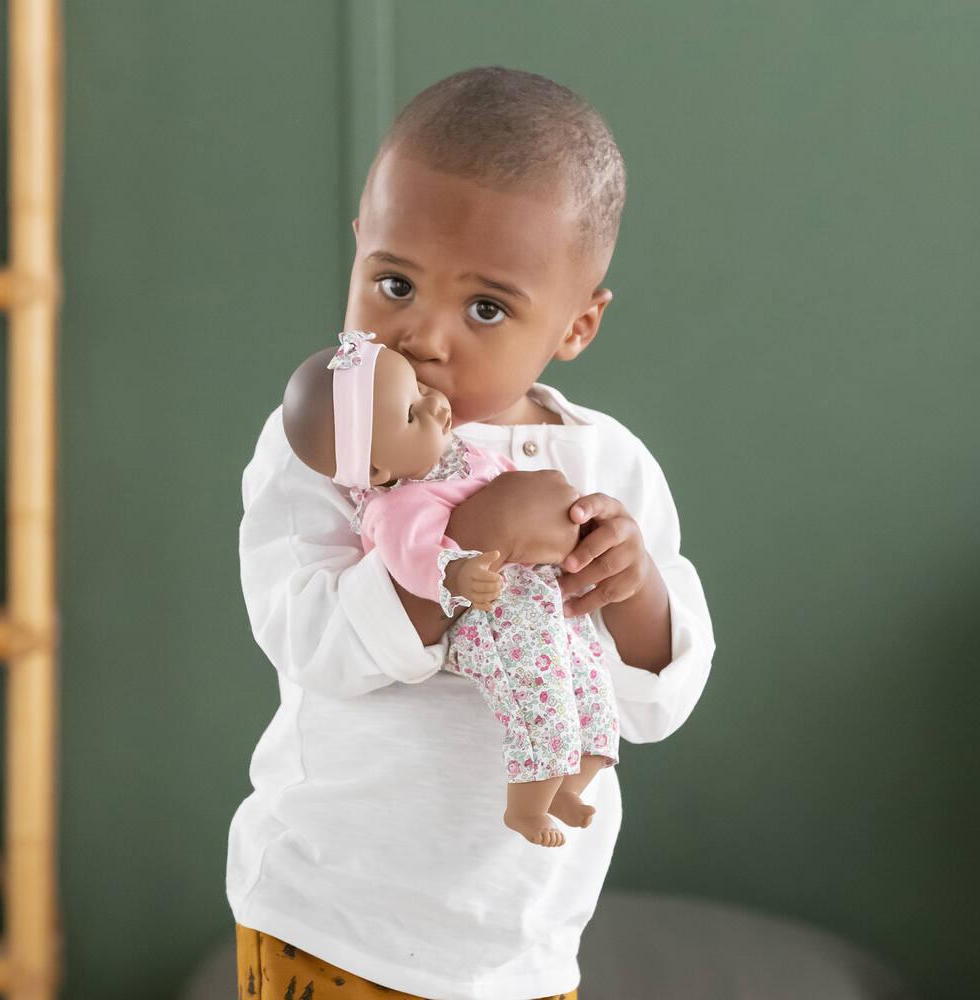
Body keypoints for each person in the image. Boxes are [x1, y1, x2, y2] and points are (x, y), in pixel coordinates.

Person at [227, 66, 716, 1000]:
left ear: (577, 323)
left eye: (486, 307)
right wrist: (452, 558)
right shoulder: (331, 435)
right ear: (358, 245)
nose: (424, 337)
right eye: (395, 282)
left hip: (518, 950)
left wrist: (634, 584)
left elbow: (655, 705)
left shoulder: (605, 466)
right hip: (328, 913)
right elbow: (306, 637)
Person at [280, 332, 620, 848]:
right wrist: (455, 575)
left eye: (419, 388)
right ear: (376, 469)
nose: (436, 402)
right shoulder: (396, 508)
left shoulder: (460, 454)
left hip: (538, 598)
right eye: (413, 412)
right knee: (538, 697)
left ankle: (571, 785)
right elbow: (413, 560)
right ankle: (526, 808)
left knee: (590, 681)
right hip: (490, 621)